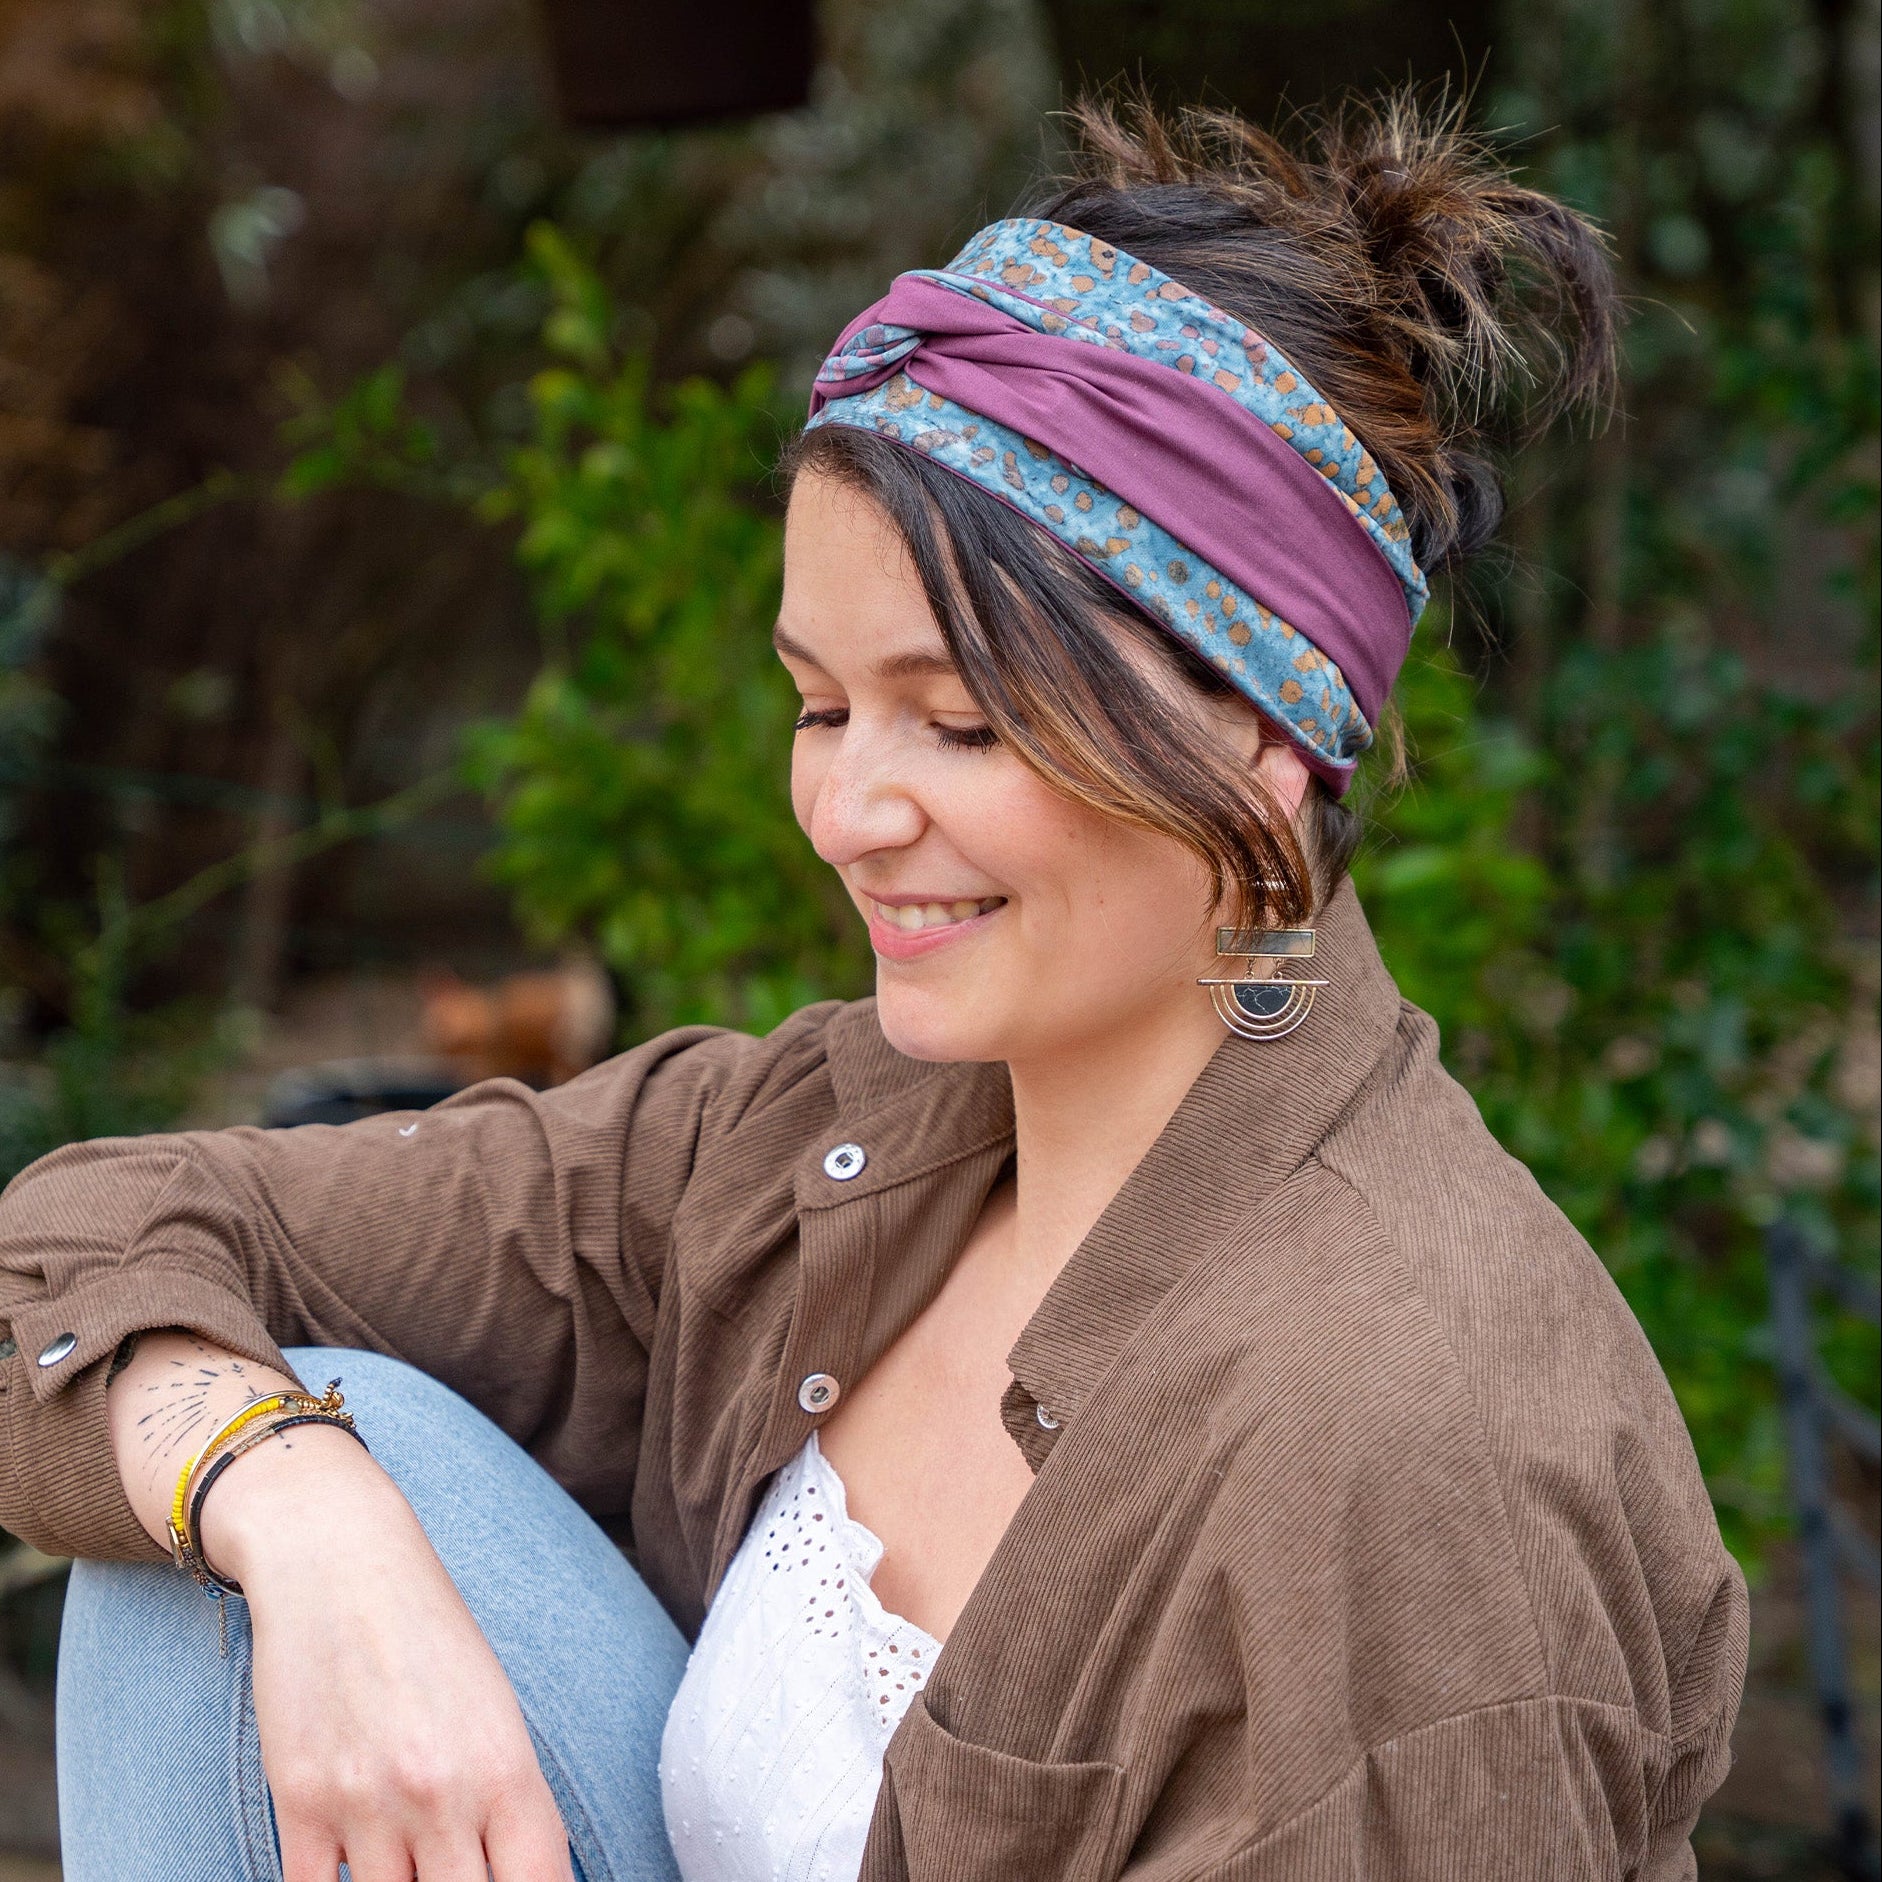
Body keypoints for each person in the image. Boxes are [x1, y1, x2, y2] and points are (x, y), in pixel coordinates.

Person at [0, 94, 1745, 1882]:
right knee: (215, 1528)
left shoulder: (1399, 1445)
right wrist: (287, 1497)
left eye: (963, 721)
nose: (847, 811)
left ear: (1258, 739)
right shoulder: (819, 1137)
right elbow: (65, 1249)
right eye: (821, 705)